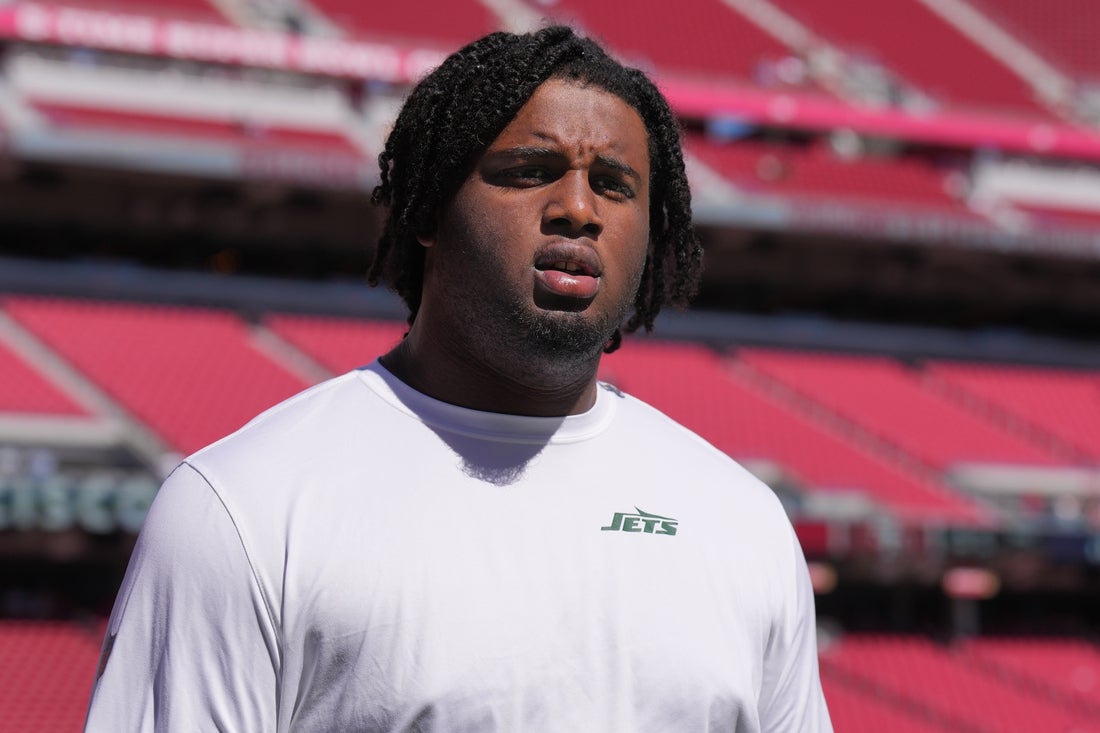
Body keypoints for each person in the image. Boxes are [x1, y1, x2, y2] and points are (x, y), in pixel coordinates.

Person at [84, 26, 832, 732]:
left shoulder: (742, 524)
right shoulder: (244, 510)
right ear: (429, 209)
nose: (576, 208)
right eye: (529, 173)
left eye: (613, 185)